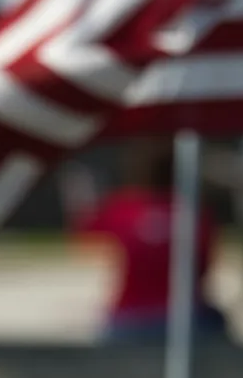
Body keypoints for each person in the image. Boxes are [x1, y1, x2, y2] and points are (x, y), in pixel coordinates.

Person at [60, 141, 227, 344]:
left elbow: (83, 232)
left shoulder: (124, 208)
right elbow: (205, 266)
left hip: (129, 316)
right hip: (183, 315)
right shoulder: (194, 213)